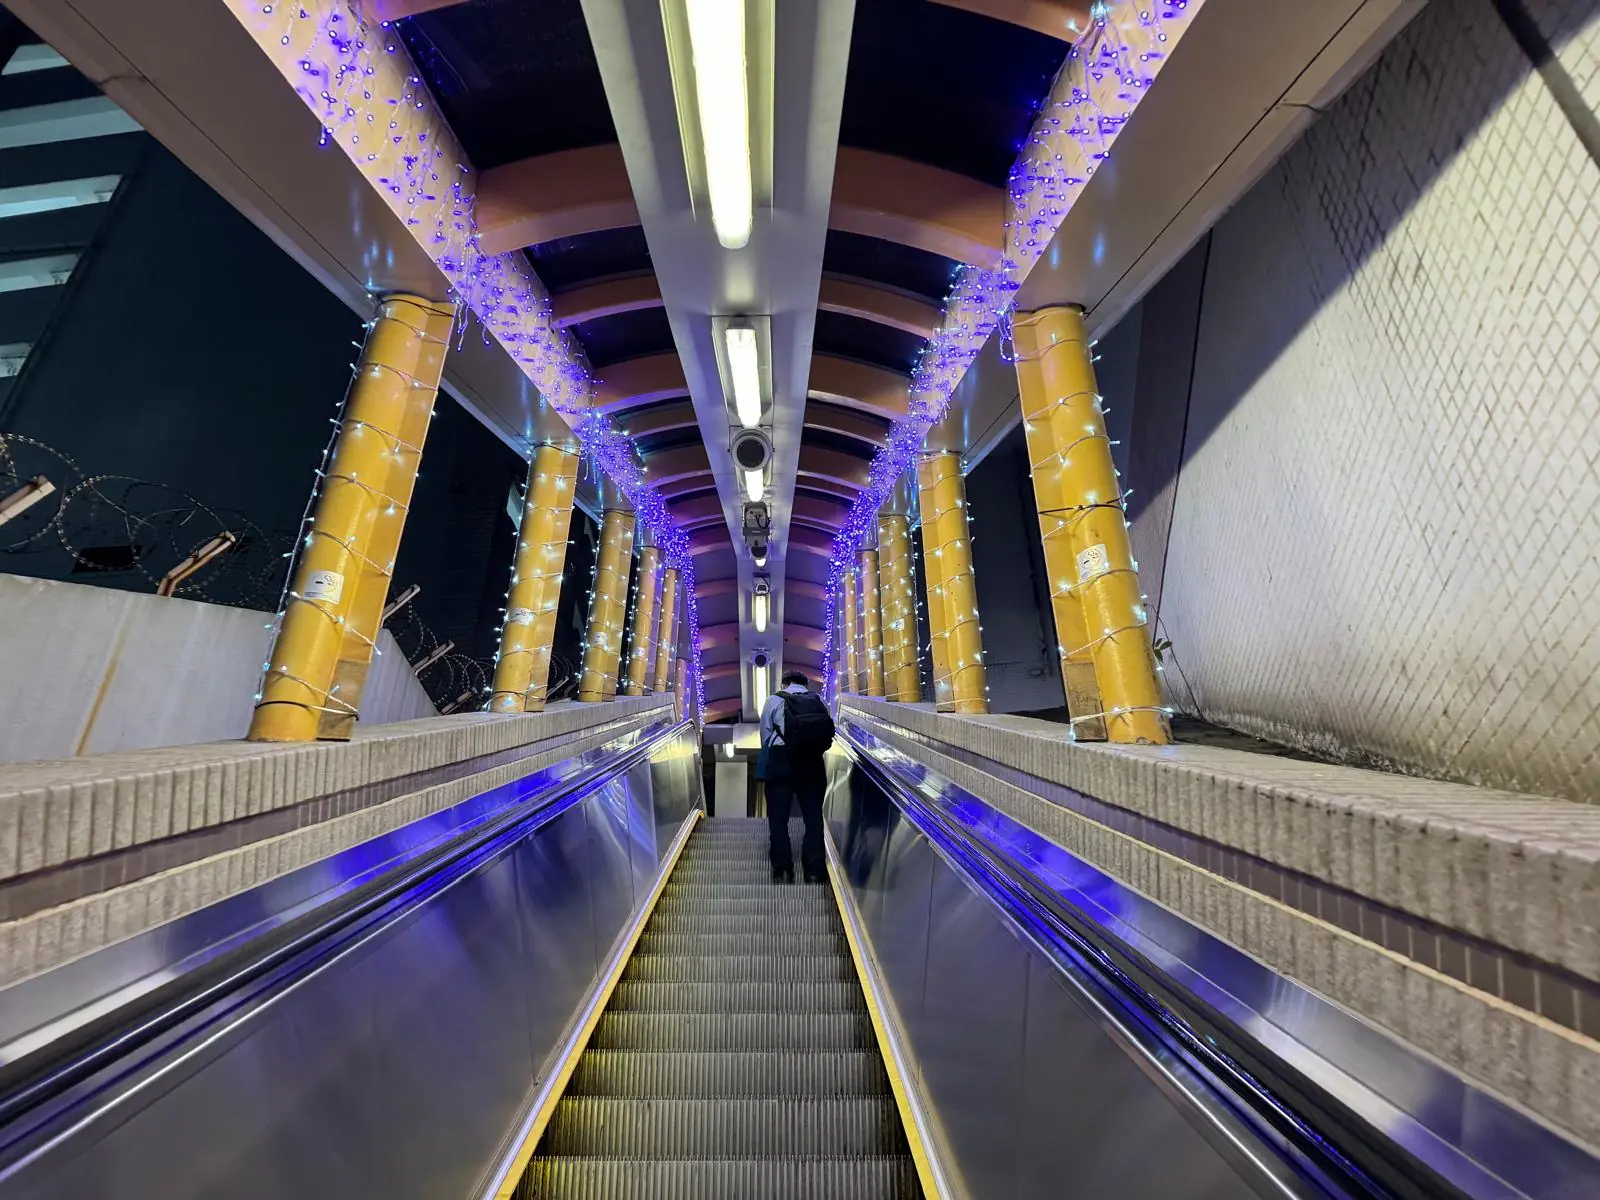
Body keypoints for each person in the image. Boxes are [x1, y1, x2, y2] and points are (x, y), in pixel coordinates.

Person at [759, 669, 835, 884]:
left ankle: (783, 871)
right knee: (813, 818)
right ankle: (814, 872)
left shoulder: (774, 700)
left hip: (781, 761)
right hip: (812, 763)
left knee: (778, 819)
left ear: (785, 683)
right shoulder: (818, 700)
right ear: (805, 684)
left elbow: (765, 735)